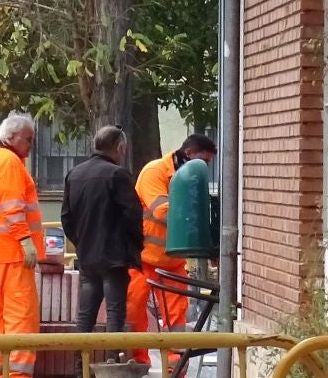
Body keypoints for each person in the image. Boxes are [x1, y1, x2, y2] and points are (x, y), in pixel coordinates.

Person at [0, 112, 50, 378]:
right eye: (28, 139)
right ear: (12, 137)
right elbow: (13, 207)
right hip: (12, 252)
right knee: (21, 314)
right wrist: (26, 241)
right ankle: (18, 377)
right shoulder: (8, 163)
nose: (30, 145)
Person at [127, 133, 215, 365]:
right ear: (188, 155)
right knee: (134, 311)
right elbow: (162, 211)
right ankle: (138, 362)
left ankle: (175, 370)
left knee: (176, 318)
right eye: (203, 162)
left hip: (173, 260)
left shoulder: (188, 178)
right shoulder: (154, 172)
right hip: (144, 258)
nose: (205, 168)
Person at [60, 125, 143, 346]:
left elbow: (66, 218)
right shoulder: (117, 174)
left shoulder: (74, 174)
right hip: (114, 257)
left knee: (85, 317)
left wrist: (82, 242)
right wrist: (134, 247)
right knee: (115, 314)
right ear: (119, 147)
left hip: (88, 257)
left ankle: (81, 374)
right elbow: (132, 215)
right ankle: (112, 368)